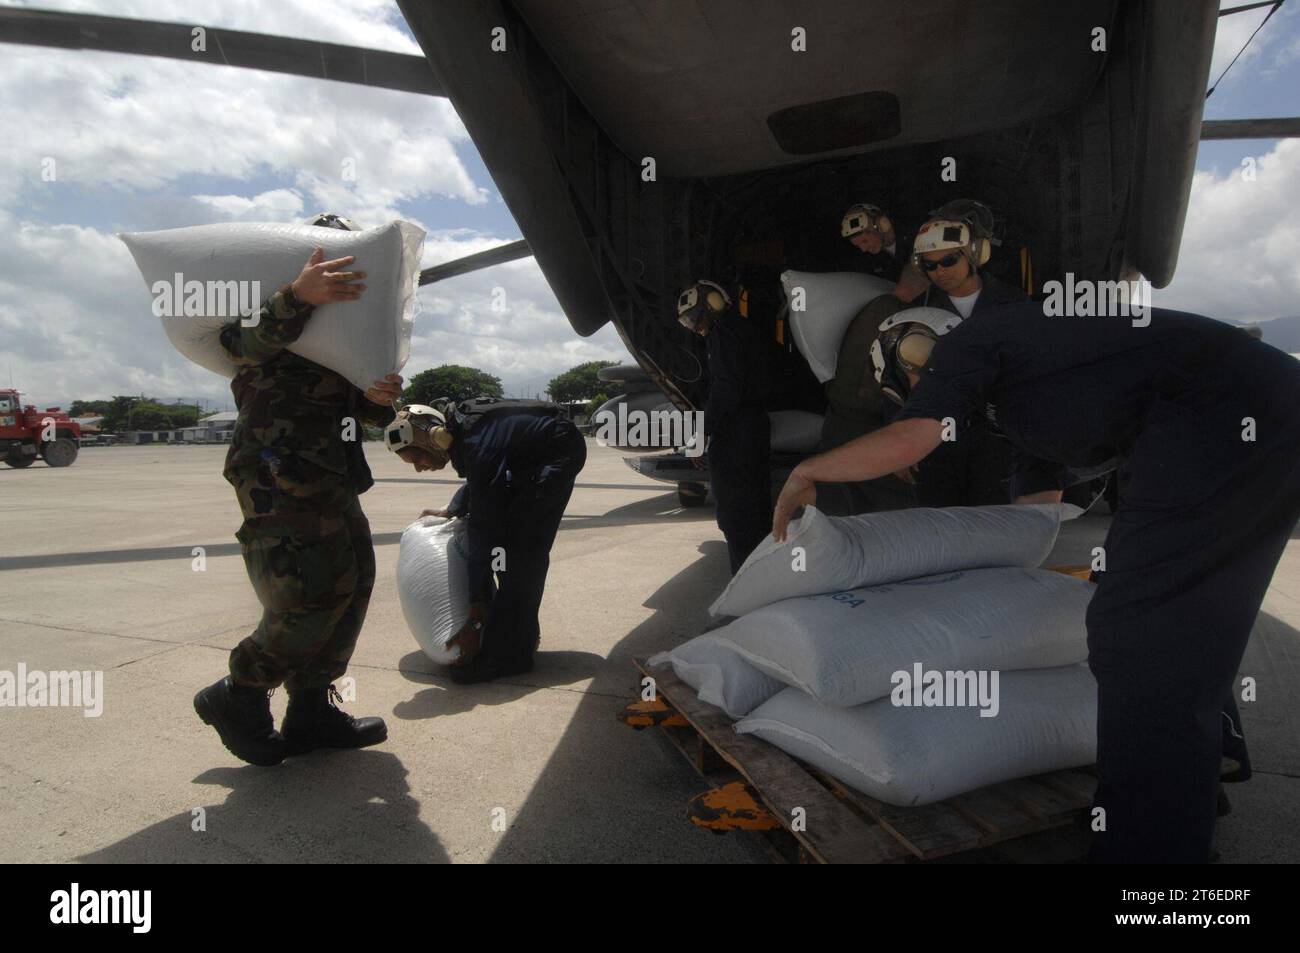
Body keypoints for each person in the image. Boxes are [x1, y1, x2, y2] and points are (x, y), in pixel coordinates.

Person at [772, 300, 1300, 863]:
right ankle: (1193, 787)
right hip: (1255, 412)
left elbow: (914, 436)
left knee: (1138, 639)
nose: (925, 389)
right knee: (1187, 618)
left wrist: (810, 470)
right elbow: (1037, 506)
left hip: (1213, 419)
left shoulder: (963, 344)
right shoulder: (1017, 394)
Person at [194, 213, 402, 767]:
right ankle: (237, 692)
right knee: (307, 596)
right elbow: (239, 347)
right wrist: (295, 295)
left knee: (353, 583)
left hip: (331, 473)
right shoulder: (260, 310)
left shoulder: (348, 330)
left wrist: (378, 397)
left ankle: (310, 709)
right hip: (276, 475)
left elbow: (357, 405)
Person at [387, 397, 587, 683]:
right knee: (506, 551)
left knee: (519, 554)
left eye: (418, 457)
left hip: (555, 457)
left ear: (434, 439)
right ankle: (519, 636)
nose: (419, 468)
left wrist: (474, 614)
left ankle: (510, 658)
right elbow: (483, 481)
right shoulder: (467, 434)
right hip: (530, 459)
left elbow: (485, 524)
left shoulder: (475, 441)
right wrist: (454, 508)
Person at [906, 202, 1027, 505]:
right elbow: (901, 383)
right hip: (937, 445)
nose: (940, 272)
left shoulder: (1015, 305)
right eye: (930, 265)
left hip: (999, 443)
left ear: (973, 254)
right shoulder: (917, 314)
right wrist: (903, 443)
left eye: (948, 260)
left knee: (993, 532)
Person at [816, 262, 931, 515]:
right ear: (923, 283)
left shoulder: (871, 308)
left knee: (841, 507)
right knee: (890, 509)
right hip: (865, 423)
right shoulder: (899, 319)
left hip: (837, 420)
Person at [679, 279, 773, 574]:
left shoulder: (723, 334)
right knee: (756, 514)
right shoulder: (744, 330)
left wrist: (701, 432)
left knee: (736, 517)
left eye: (695, 318)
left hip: (736, 434)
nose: (695, 327)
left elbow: (725, 389)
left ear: (712, 305)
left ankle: (744, 591)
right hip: (753, 429)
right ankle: (762, 581)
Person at [840, 202, 902, 281]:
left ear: (882, 225)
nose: (863, 249)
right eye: (858, 245)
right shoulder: (867, 261)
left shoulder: (916, 238)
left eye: (864, 241)